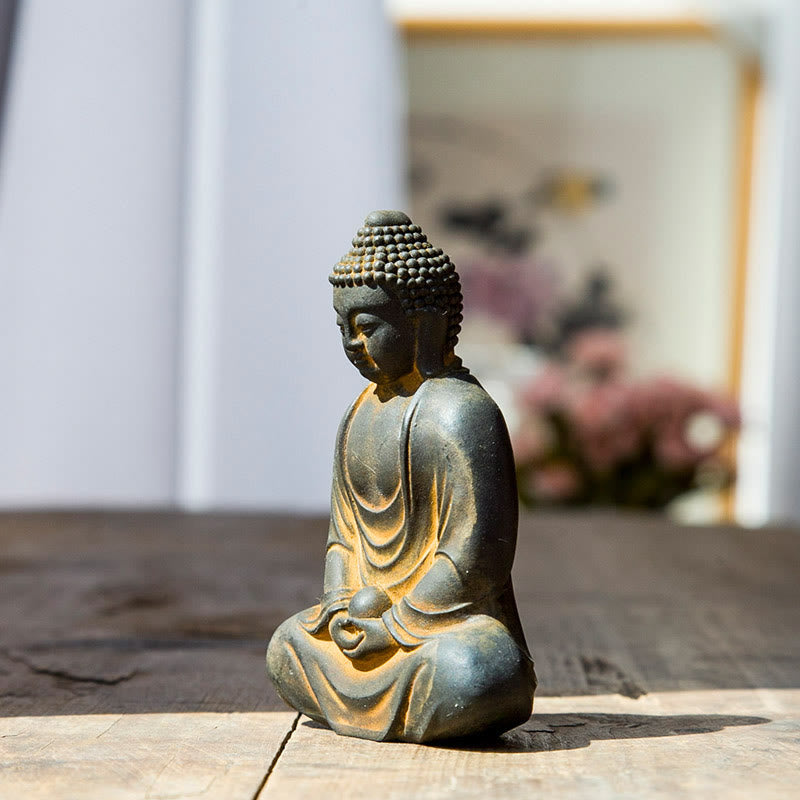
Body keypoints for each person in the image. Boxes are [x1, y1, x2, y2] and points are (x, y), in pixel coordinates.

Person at [266, 210, 536, 743]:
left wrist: (393, 625)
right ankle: (389, 701)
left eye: (366, 327)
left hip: (438, 625)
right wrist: (342, 608)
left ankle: (389, 698)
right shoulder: (358, 414)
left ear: (424, 325)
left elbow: (476, 556)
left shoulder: (462, 414)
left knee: (481, 672)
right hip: (370, 627)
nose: (351, 343)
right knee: (286, 645)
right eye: (342, 328)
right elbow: (343, 540)